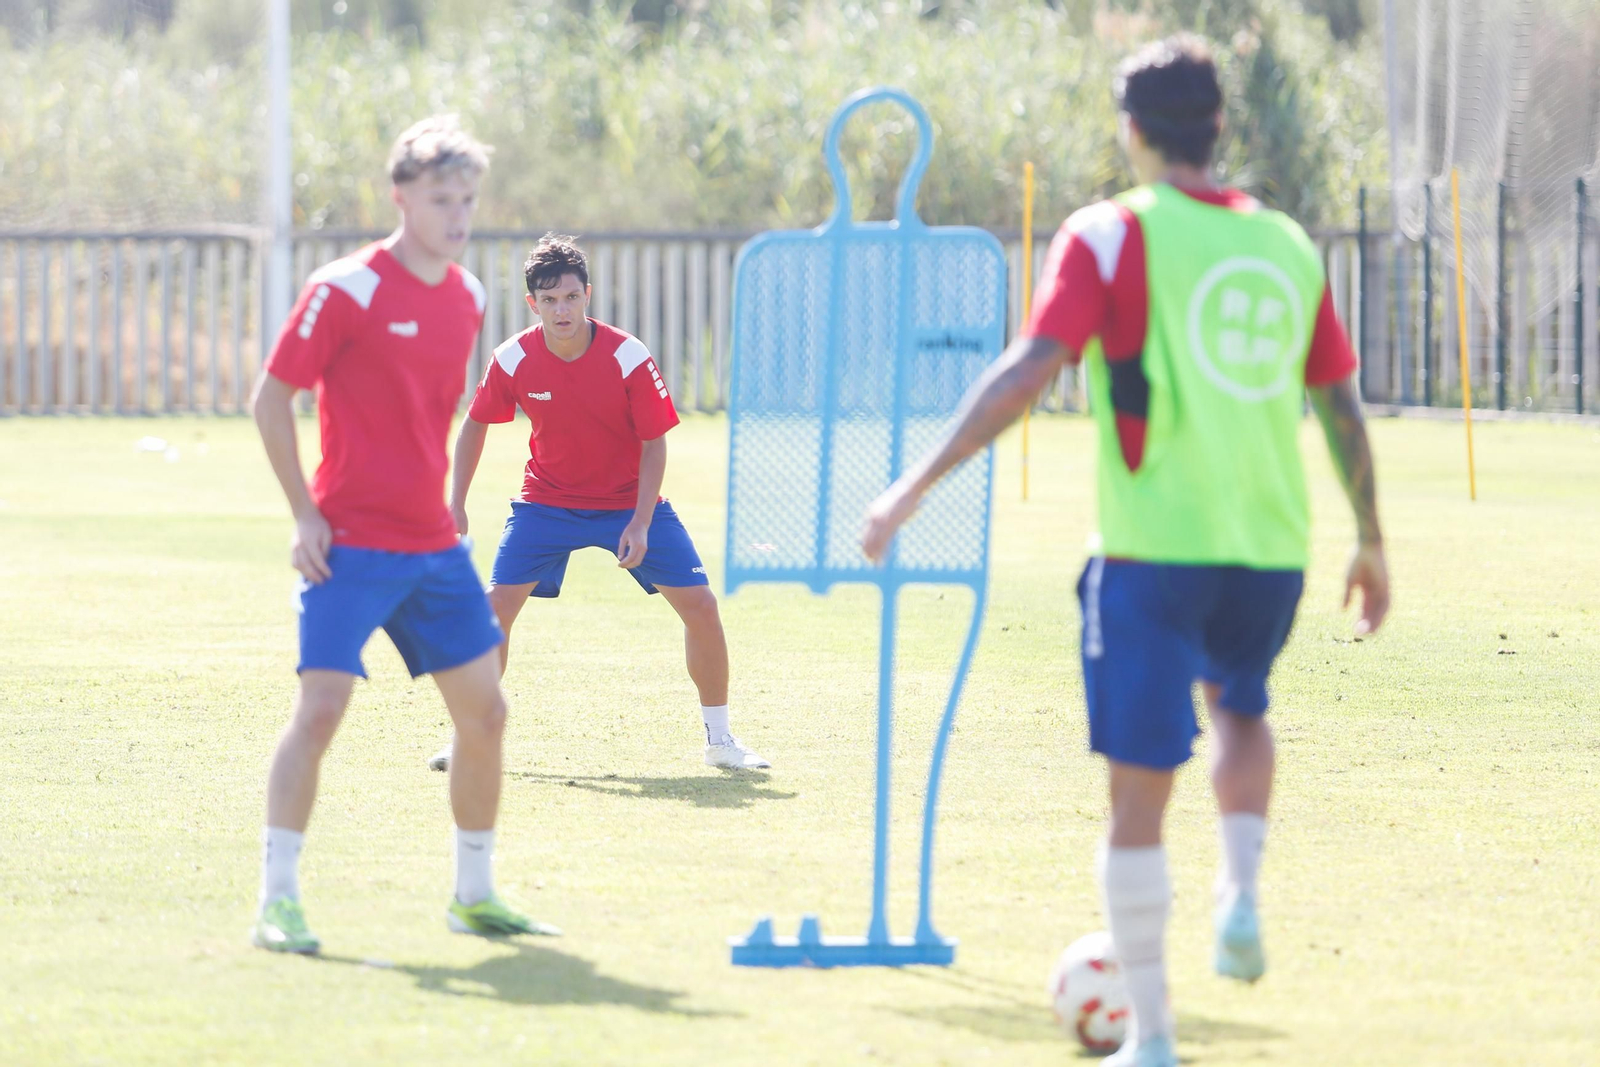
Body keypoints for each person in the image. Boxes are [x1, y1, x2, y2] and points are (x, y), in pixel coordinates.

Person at [862, 37, 1389, 1067]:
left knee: (1138, 791)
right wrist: (1370, 536)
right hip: (1270, 548)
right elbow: (1339, 402)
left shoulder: (1106, 232)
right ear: (1221, 128)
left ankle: (1149, 1037)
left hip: (1150, 551)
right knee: (1241, 706)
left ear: (1131, 131)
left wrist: (911, 486)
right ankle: (1239, 884)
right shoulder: (1284, 243)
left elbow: (1027, 370)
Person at [250, 116, 556, 954]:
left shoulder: (468, 296)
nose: (458, 215)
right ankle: (278, 901)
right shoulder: (344, 289)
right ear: (401, 198)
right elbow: (271, 400)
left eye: (467, 199)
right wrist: (304, 514)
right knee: (320, 710)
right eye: (440, 199)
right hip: (346, 543)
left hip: (432, 549)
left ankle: (475, 893)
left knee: (486, 714)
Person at [426, 234, 769, 774]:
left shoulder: (628, 356)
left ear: (588, 294)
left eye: (570, 297)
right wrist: (457, 504)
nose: (561, 309)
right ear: (532, 303)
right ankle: (472, 737)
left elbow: (655, 441)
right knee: (493, 612)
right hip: (547, 502)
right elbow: (473, 426)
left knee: (702, 607)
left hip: (628, 502)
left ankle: (721, 740)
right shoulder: (513, 357)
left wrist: (639, 519)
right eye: (549, 299)